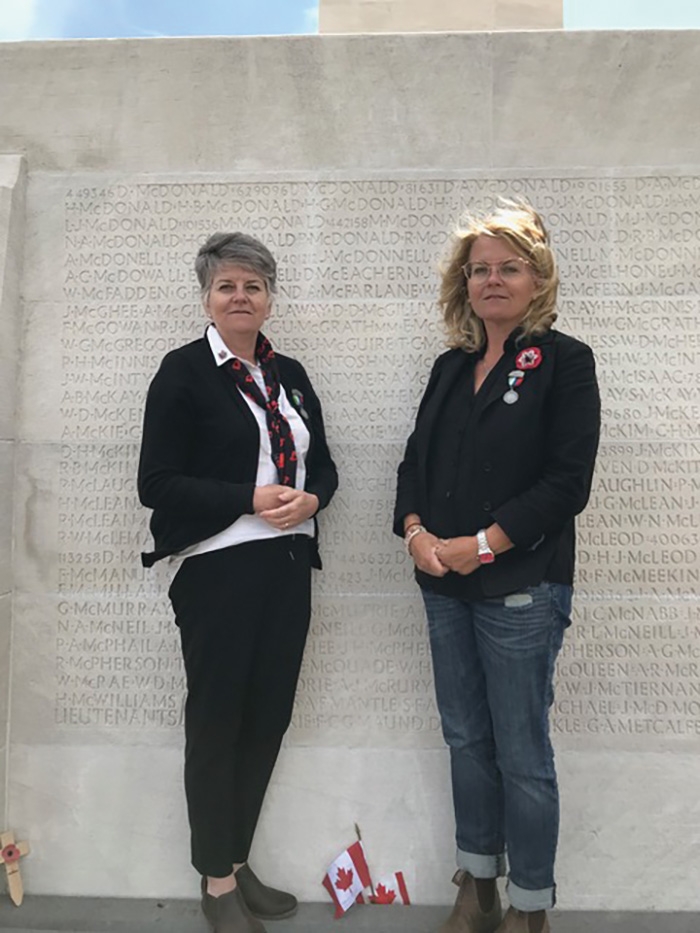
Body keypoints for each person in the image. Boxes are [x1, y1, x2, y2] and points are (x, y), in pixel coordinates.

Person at [394, 202, 600, 933]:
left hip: (521, 587)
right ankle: (476, 882)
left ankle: (530, 905)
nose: (492, 279)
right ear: (464, 283)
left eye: (508, 266)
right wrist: (416, 531)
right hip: (443, 586)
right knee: (465, 739)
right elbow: (415, 462)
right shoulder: (450, 367)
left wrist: (477, 544)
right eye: (479, 268)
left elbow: (565, 484)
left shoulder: (566, 363)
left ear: (537, 277)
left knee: (521, 751)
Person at [138, 232, 338, 933]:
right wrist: (250, 497)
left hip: (288, 568)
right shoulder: (184, 371)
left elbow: (325, 469)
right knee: (219, 721)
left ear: (270, 297)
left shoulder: (292, 374)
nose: (241, 296)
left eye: (253, 285)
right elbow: (155, 482)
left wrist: (312, 500)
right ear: (207, 298)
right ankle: (215, 878)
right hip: (219, 567)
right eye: (227, 285)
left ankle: (238, 856)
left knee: (267, 718)